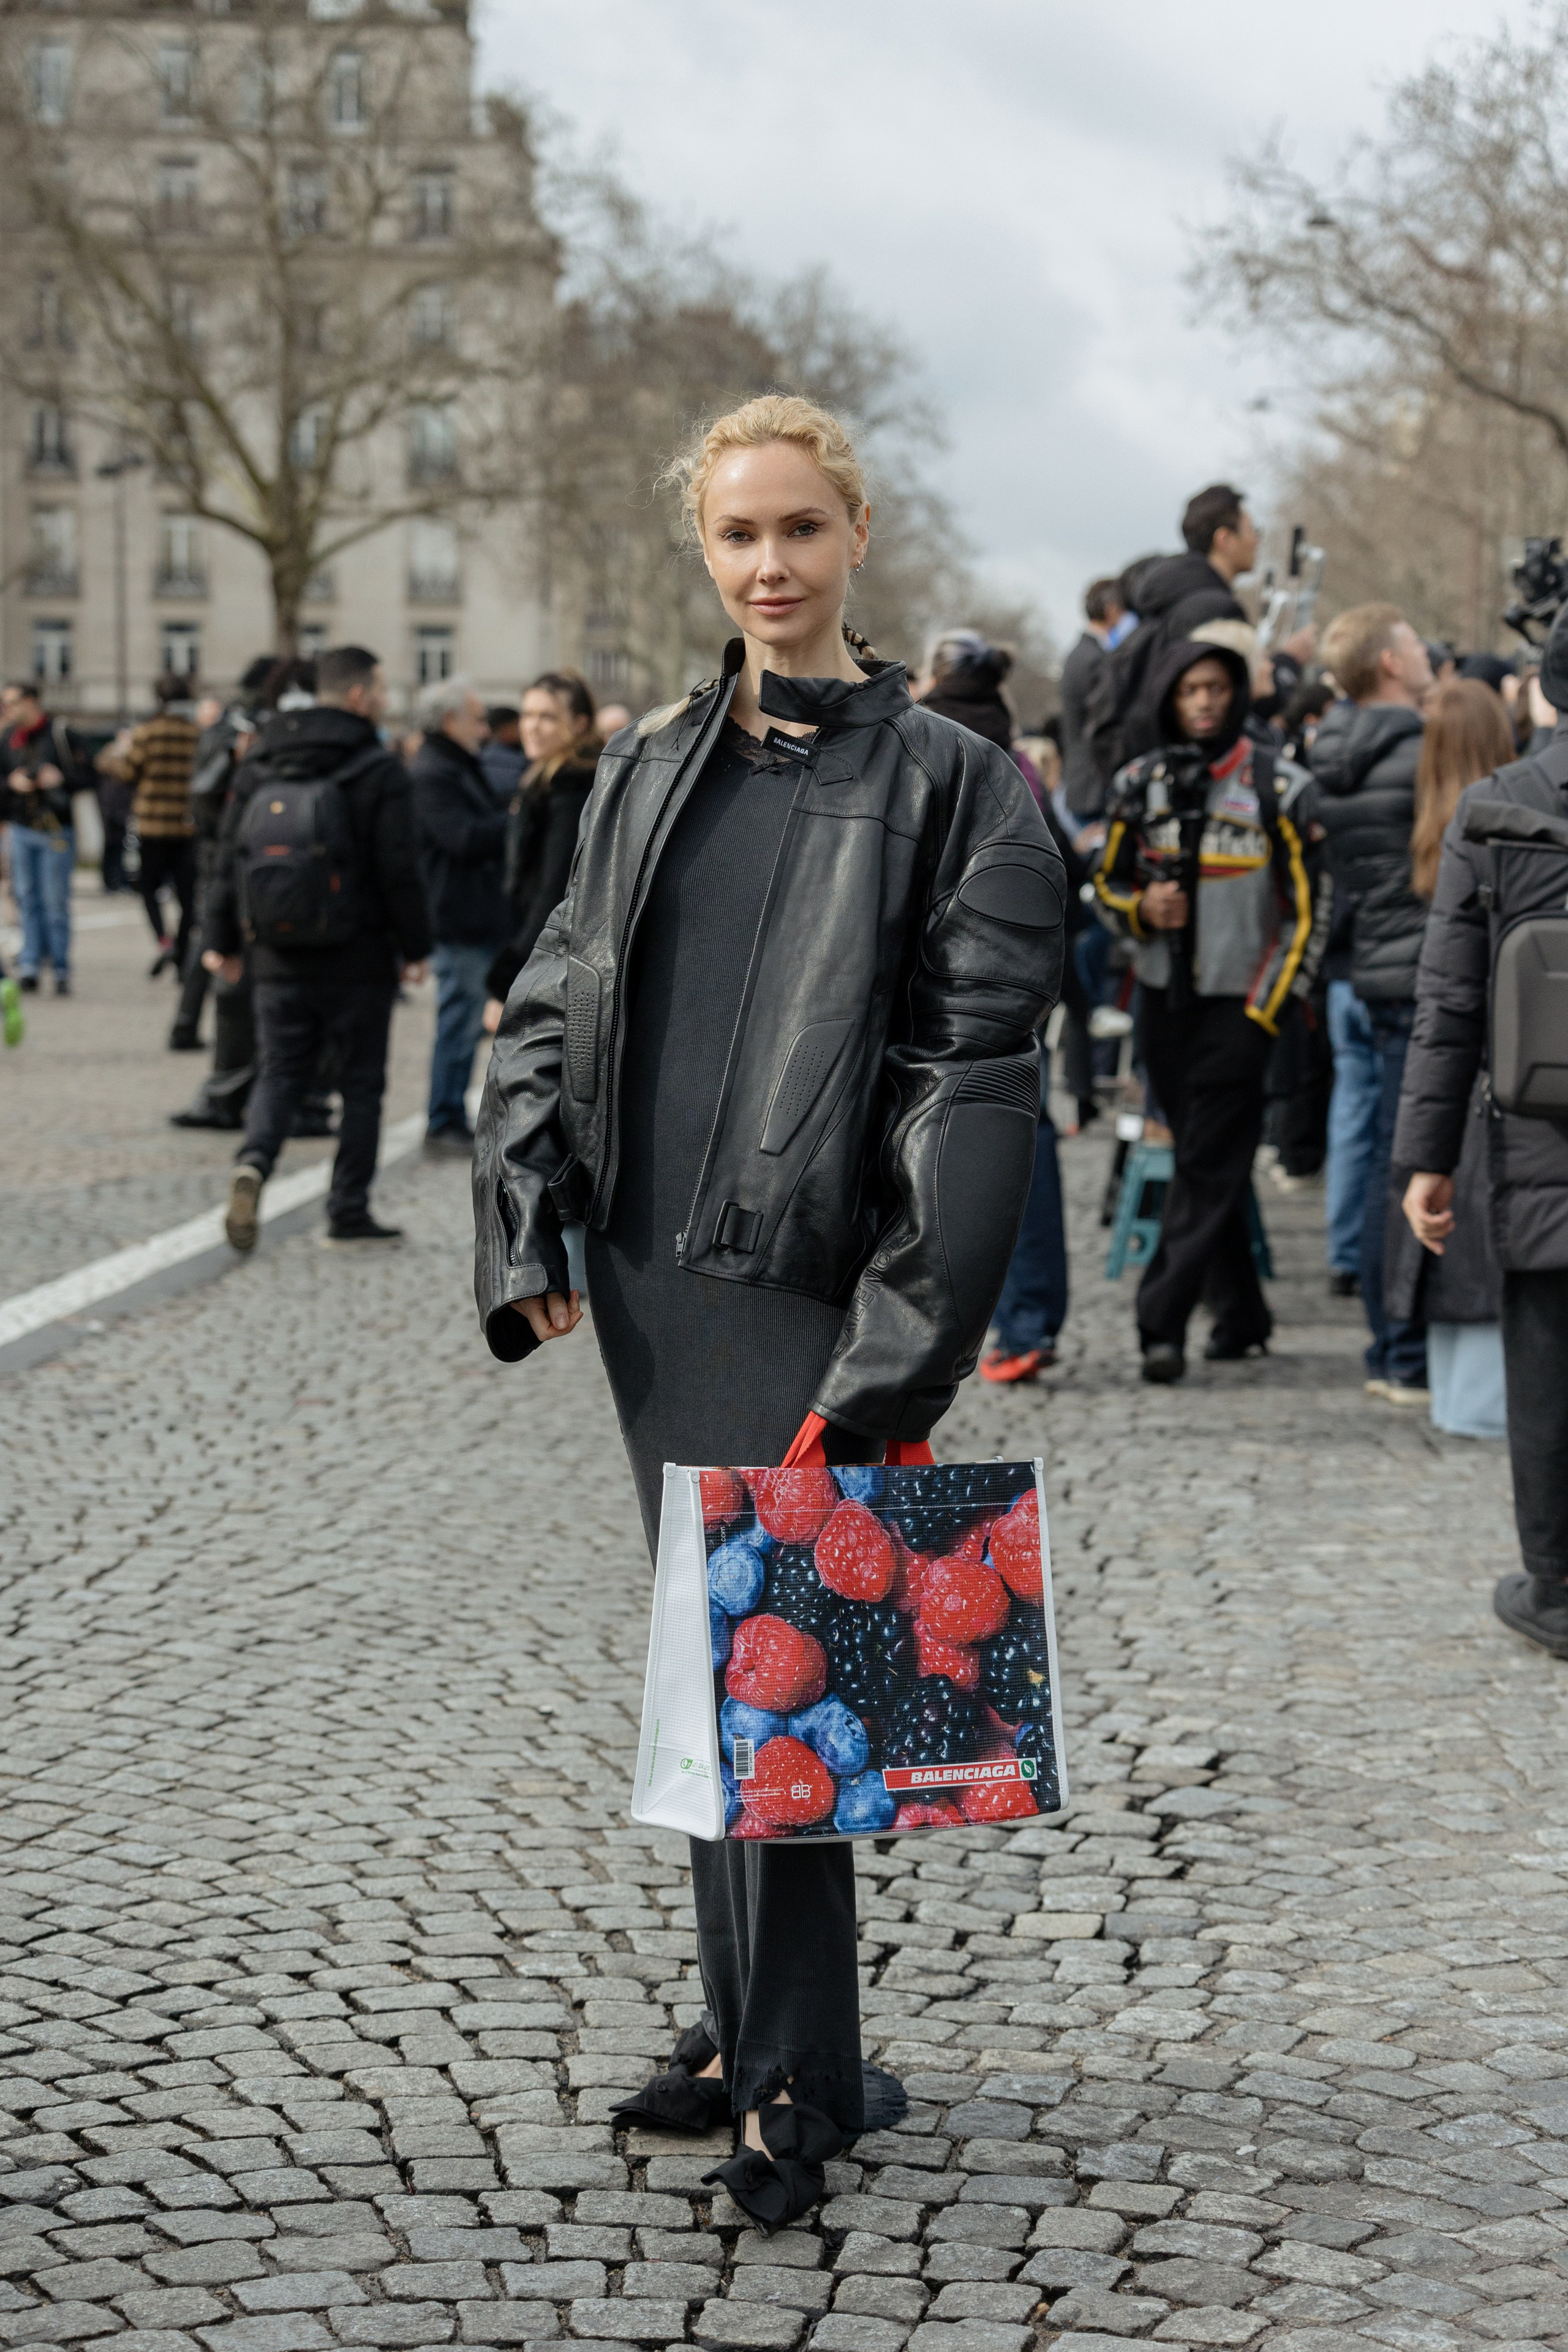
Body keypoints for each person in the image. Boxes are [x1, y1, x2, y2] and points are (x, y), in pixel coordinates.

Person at [471, 393, 1063, 2229]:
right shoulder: (650, 755)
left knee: (790, 1660)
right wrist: (525, 1216)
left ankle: (801, 2070)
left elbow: (975, 1097)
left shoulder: (958, 781)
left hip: (815, 1290)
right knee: (709, 1652)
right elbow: (559, 989)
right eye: (737, 534)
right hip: (653, 1282)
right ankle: (742, 2032)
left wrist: (899, 1356)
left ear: (855, 533)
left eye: (799, 529)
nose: (768, 564)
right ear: (704, 546)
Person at [1395, 603, 1568, 1656]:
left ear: (1548, 691)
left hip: (1545, 1137)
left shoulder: (1497, 812)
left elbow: (1450, 1003)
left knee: (1545, 1353)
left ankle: (1553, 1586)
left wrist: (1426, 1160)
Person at [1094, 641, 1324, 1382]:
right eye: (1190, 688)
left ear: (1236, 696)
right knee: (1209, 1160)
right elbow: (1102, 887)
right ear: (1169, 696)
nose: (1204, 702)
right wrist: (1140, 907)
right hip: (1164, 1003)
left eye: (1218, 688)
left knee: (1200, 1159)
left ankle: (1158, 1324)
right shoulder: (1139, 784)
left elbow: (1309, 912)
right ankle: (1242, 1315)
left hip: (1243, 1006)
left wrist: (1268, 1008)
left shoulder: (1280, 788)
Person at [203, 645, 431, 1250]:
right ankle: (348, 1209)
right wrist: (415, 947)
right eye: (380, 690)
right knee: (360, 1084)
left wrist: (219, 939)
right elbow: (398, 869)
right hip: (358, 955)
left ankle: (254, 1161)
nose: (383, 701)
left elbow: (228, 856)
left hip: (276, 951)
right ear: (358, 696)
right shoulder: (377, 766)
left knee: (280, 1070)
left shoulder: (261, 759)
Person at [1311, 604, 1434, 1401]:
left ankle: (1387, 1340)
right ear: (1391, 662)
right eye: (1417, 643)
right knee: (1413, 1161)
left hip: (1360, 970)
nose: (1427, 655)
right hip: (1419, 968)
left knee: (1370, 1137)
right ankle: (1404, 1348)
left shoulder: (1331, 752)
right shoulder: (1422, 752)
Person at [1082, 484, 1259, 800]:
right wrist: (1287, 664)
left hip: (1141, 771)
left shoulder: (1168, 599)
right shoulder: (1214, 609)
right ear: (1224, 539)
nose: (1256, 539)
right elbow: (1242, 700)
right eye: (1250, 530)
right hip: (1188, 783)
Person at [412, 677, 507, 1155]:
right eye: (477, 719)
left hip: (474, 910)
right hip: (456, 914)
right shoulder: (433, 771)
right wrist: (516, 821)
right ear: (450, 721)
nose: (485, 728)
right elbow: (461, 837)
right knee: (460, 1019)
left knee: (468, 1019)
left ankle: (450, 1114)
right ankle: (443, 1118)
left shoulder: (456, 764)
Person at [482, 671, 600, 1026]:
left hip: (552, 965)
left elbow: (553, 893)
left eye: (547, 717)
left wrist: (509, 981)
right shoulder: (544, 777)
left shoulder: (572, 787)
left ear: (579, 724)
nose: (532, 727)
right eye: (527, 714)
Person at [1, 681, 91, 995]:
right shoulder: (8, 739)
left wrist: (60, 779)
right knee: (26, 897)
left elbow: (90, 777)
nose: (8, 708)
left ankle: (61, 968)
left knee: (55, 901)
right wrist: (11, 783)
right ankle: (29, 966)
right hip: (22, 828)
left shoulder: (61, 734)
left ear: (32, 702)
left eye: (12, 702)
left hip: (56, 830)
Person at [118, 674, 200, 989]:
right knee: (187, 896)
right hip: (185, 825)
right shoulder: (195, 734)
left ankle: (164, 943)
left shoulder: (147, 733)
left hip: (152, 824)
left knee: (149, 889)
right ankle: (181, 951)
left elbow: (127, 772)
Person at [1059, 578, 1125, 817]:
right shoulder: (1095, 659)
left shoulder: (1079, 654)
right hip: (1092, 786)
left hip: (1081, 779)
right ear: (1112, 610)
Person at [480, 706, 525, 805]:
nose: (523, 729)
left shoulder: (517, 753)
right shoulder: (495, 759)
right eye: (517, 725)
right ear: (504, 728)